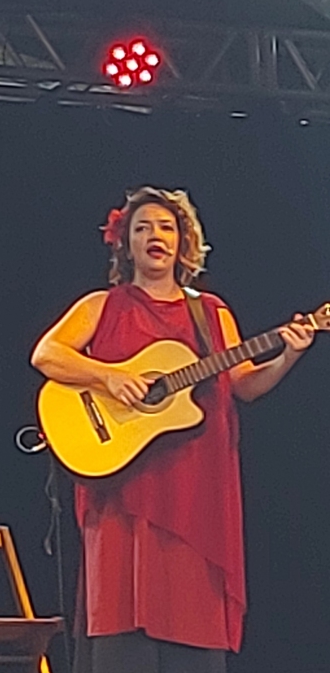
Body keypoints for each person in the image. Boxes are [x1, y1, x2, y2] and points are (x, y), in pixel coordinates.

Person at [30, 187, 314, 673]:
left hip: (195, 487)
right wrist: (109, 376)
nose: (154, 236)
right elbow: (47, 354)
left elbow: (244, 386)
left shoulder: (211, 313)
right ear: (126, 243)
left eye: (165, 227)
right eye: (142, 228)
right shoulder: (102, 305)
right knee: (122, 616)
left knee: (191, 615)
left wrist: (289, 354)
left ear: (184, 242)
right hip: (123, 486)